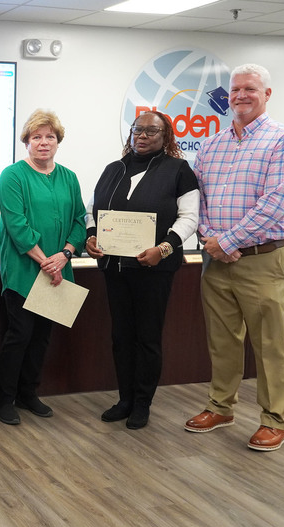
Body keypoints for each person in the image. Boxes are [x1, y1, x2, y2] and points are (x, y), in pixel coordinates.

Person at [184, 64, 284, 451]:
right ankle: (221, 406)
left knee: (269, 343)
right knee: (222, 340)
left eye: (250, 89)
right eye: (235, 89)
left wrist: (229, 240)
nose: (240, 95)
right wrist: (209, 237)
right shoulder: (211, 144)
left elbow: (276, 204)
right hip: (216, 257)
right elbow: (197, 197)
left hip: (262, 257)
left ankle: (275, 419)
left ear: (267, 94)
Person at [85, 110, 199, 429]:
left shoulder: (179, 170)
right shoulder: (113, 169)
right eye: (138, 130)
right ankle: (124, 398)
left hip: (154, 270)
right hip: (115, 268)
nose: (143, 136)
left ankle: (142, 402)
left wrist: (162, 249)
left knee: (147, 337)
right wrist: (91, 235)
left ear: (166, 138)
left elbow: (190, 218)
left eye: (152, 131)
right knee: (122, 336)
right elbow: (91, 211)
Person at [0, 109, 86, 425]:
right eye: (36, 137)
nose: (43, 143)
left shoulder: (69, 177)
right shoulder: (12, 175)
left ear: (58, 141)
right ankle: (3, 400)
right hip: (24, 270)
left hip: (59, 269)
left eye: (49, 137)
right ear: (27, 141)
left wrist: (66, 254)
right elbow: (17, 226)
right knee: (19, 334)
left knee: (42, 336)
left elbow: (79, 221)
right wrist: (47, 261)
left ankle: (28, 394)